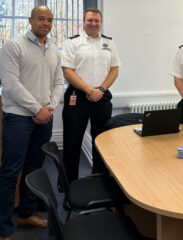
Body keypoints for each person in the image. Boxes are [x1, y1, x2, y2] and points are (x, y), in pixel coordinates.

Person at [0, 6, 64, 240]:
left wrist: (50, 107)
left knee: (34, 168)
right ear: (31, 20)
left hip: (44, 118)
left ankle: (26, 214)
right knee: (10, 171)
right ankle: (5, 230)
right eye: (41, 19)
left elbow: (58, 83)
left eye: (50, 20)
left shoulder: (54, 50)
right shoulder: (14, 46)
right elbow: (11, 84)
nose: (46, 23)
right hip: (18, 118)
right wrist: (38, 109)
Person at [62, 8, 121, 181]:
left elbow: (115, 70)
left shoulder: (109, 43)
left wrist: (100, 90)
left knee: (102, 141)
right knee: (72, 143)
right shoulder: (73, 43)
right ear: (84, 22)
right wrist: (89, 91)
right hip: (78, 97)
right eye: (90, 20)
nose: (93, 24)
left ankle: (99, 179)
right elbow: (67, 71)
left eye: (97, 21)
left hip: (101, 96)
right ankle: (69, 184)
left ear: (101, 23)